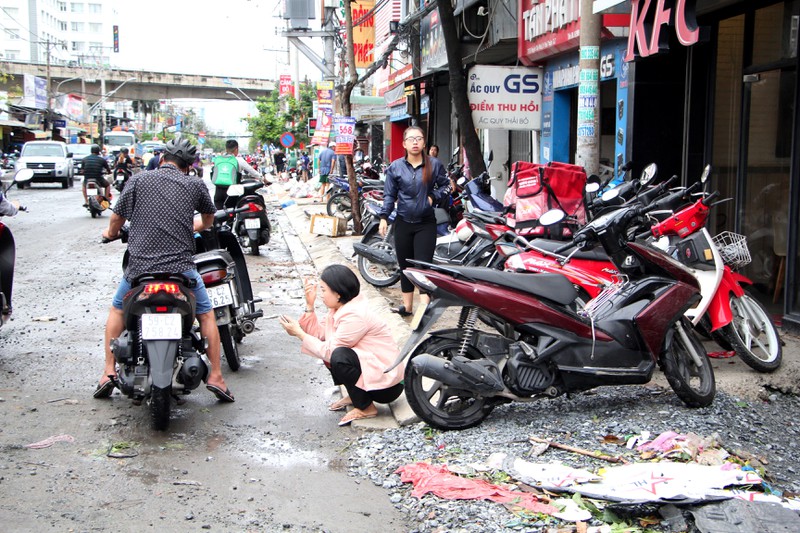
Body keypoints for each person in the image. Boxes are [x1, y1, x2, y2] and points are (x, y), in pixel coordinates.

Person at [95, 137, 234, 403]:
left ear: (161, 159)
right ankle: (216, 376)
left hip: (140, 270)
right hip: (182, 271)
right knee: (206, 315)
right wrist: (193, 227)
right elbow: (208, 219)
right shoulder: (195, 184)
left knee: (118, 309)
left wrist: (110, 233)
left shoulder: (138, 180)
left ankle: (108, 372)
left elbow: (116, 218)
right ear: (189, 165)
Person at [279, 265, 404, 426]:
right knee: (331, 352)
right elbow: (319, 335)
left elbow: (330, 351)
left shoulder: (354, 315)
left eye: (323, 290)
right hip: (376, 376)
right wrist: (309, 306)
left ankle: (366, 407)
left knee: (338, 356)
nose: (321, 295)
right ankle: (356, 395)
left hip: (388, 386)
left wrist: (299, 333)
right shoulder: (339, 309)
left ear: (337, 294)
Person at [379, 126, 450, 317]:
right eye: (411, 139)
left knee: (422, 266)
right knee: (405, 266)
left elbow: (446, 186)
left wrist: (432, 197)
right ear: (404, 144)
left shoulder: (434, 164)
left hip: (425, 223)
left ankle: (423, 307)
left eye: (418, 138)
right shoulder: (395, 167)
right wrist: (384, 217)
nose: (415, 142)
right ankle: (407, 307)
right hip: (403, 222)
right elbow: (389, 195)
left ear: (424, 142)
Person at [210, 139, 262, 209]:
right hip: (232, 193)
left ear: (226, 149)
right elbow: (253, 172)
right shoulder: (239, 160)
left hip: (218, 193)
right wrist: (263, 178)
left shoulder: (219, 159)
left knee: (220, 213)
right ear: (236, 149)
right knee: (233, 212)